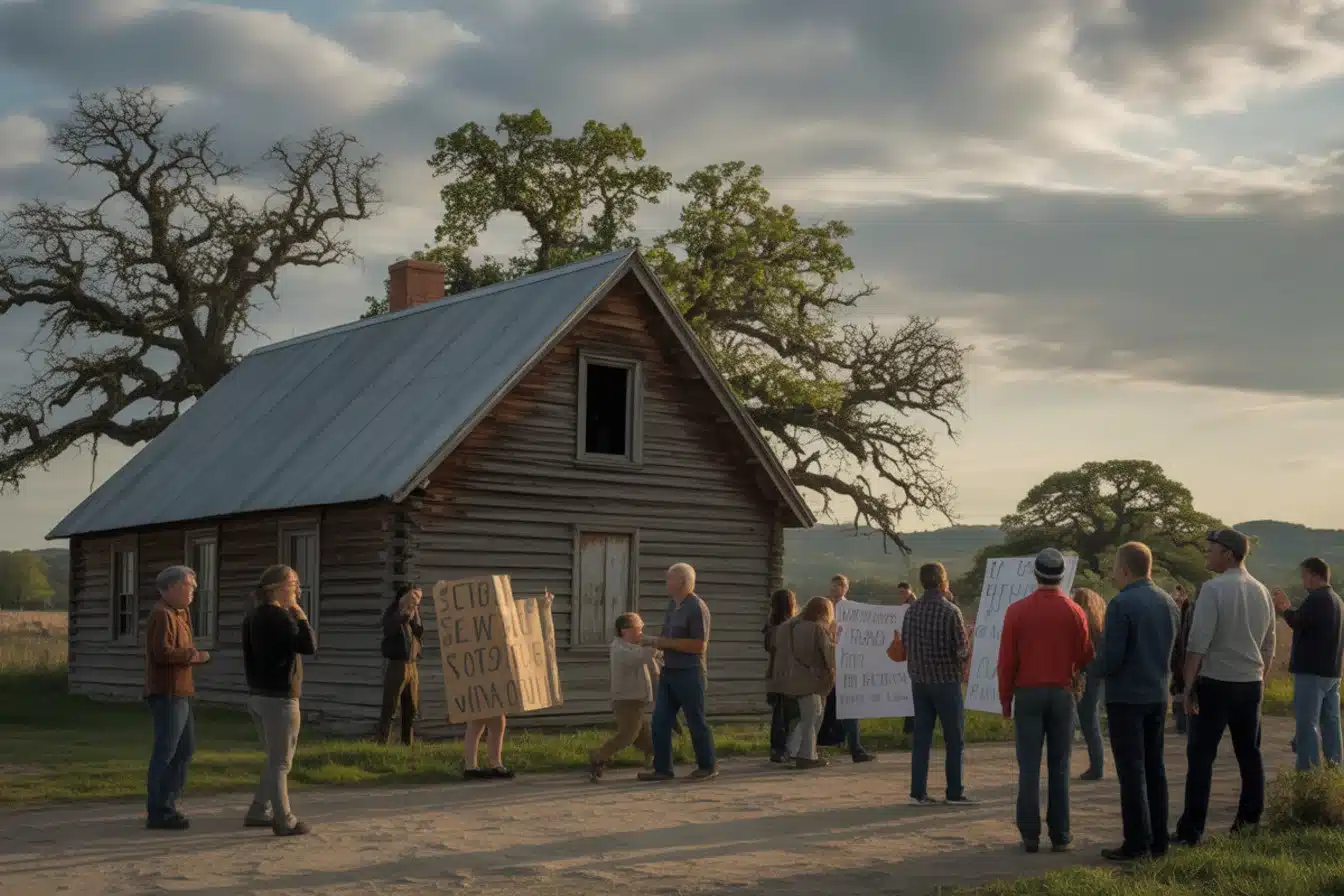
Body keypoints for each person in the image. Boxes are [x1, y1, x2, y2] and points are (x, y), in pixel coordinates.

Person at [1174, 528, 1275, 846]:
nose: (1207, 552)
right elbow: (1269, 645)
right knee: (1250, 755)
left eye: (1211, 548)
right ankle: (1247, 824)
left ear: (1228, 553)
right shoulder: (1262, 591)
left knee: (1201, 757)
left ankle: (1192, 830)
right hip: (1251, 683)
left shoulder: (1214, 589)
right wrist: (1260, 677)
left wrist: (1188, 687)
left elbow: (1198, 642)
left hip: (1216, 683)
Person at [997, 548, 1093, 854]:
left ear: (1036, 574)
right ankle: (1060, 834)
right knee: (1060, 765)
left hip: (1027, 693)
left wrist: (1005, 700)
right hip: (1062, 693)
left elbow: (1006, 661)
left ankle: (1029, 835)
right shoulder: (1074, 611)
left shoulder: (1017, 610)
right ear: (1061, 576)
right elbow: (1086, 654)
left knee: (1028, 766)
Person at [1097, 543, 1179, 862]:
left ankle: (1136, 842)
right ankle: (1159, 838)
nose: (1113, 573)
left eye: (1115, 567)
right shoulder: (1169, 601)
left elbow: (1113, 657)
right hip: (1157, 693)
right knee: (1155, 767)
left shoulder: (1121, 604)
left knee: (1131, 772)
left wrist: (1089, 665)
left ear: (1126, 570)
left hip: (1126, 697)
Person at [242, 564, 317, 836]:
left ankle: (259, 808)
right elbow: (309, 646)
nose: (297, 588)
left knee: (275, 758)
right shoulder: (279, 617)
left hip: (259, 695)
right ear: (278, 588)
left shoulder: (253, 616)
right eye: (293, 583)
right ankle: (284, 819)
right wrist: (300, 615)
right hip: (280, 698)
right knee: (281, 762)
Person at [460, 589, 554, 780]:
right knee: (485, 721)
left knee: (485, 721)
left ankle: (476, 765)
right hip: (484, 675)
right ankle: (487, 764)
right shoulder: (483, 620)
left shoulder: (490, 618)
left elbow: (525, 620)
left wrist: (543, 605)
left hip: (488, 675)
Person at [902, 562, 975, 805]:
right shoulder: (951, 611)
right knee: (954, 739)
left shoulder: (911, 611)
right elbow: (962, 652)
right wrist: (971, 638)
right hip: (946, 681)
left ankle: (918, 792)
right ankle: (954, 792)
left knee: (922, 738)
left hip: (919, 680)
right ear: (944, 582)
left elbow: (905, 644)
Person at [144, 565, 210, 830]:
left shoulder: (178, 613)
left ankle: (169, 804)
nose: (193, 590)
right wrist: (192, 655)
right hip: (167, 692)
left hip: (181, 691)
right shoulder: (162, 614)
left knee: (185, 749)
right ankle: (159, 811)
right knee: (167, 752)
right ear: (171, 587)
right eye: (188, 585)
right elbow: (161, 653)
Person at [640, 563, 717, 782]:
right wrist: (653, 644)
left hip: (689, 672)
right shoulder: (672, 606)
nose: (666, 582)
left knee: (695, 720)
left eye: (670, 579)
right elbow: (667, 639)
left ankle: (707, 765)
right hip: (669, 670)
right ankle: (662, 769)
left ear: (683, 582)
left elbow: (699, 645)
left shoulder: (696, 607)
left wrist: (661, 641)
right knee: (660, 721)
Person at [1272, 557, 1343, 770]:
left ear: (1313, 575)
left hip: (1311, 673)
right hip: (1332, 672)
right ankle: (1334, 771)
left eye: (1304, 576)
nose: (1303, 580)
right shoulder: (1337, 601)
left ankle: (1308, 774)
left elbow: (1298, 622)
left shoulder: (1317, 599)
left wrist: (1285, 609)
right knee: (1331, 724)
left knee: (1306, 725)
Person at [589, 612, 659, 781]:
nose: (641, 631)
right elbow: (641, 656)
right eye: (637, 628)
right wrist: (655, 645)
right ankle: (599, 757)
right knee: (628, 735)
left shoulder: (633, 646)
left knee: (645, 737)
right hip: (627, 700)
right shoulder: (619, 649)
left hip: (638, 699)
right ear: (624, 630)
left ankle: (657, 761)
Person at [769, 596, 836, 769]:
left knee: (807, 716)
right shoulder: (817, 629)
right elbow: (829, 656)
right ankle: (807, 755)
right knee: (812, 717)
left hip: (789, 679)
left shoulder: (786, 628)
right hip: (812, 679)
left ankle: (794, 750)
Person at [818, 574, 877, 763]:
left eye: (839, 585)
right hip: (828, 665)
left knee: (851, 706)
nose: (835, 588)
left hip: (847, 666)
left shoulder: (852, 610)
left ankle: (856, 748)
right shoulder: (823, 608)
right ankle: (813, 748)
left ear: (845, 588)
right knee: (820, 709)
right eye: (833, 585)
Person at [377, 584, 424, 746]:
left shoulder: (414, 613)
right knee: (390, 706)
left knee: (411, 708)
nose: (417, 601)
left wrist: (415, 613)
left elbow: (418, 631)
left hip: (412, 665)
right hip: (397, 664)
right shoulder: (394, 611)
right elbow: (389, 628)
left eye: (419, 597)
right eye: (414, 597)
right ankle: (382, 742)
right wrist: (405, 611)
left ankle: (407, 743)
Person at [1071, 588, 1107, 782]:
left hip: (1085, 672)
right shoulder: (1100, 622)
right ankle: (1096, 764)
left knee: (1088, 719)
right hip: (1094, 673)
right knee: (1090, 719)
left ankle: (1097, 766)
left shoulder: (1083, 621)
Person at [763, 589, 799, 763]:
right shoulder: (789, 627)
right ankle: (785, 748)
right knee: (788, 713)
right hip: (787, 673)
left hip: (774, 673)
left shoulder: (771, 627)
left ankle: (778, 749)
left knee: (779, 713)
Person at [1170, 585, 1194, 735]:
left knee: (1182, 686)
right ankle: (1181, 721)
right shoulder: (1177, 613)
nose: (1177, 600)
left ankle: (1183, 722)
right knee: (1179, 686)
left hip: (1182, 655)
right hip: (1179, 655)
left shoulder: (1188, 612)